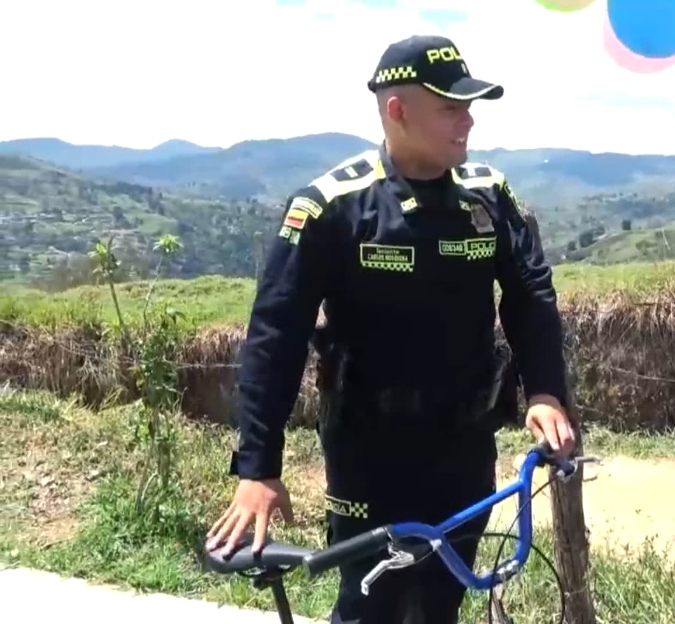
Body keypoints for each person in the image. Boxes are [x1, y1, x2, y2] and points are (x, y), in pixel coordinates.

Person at [204, 34, 576, 624]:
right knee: (371, 602)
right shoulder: (331, 206)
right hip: (368, 451)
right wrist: (258, 468)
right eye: (450, 108)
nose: (468, 121)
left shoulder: (488, 195)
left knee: (443, 599)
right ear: (397, 110)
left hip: (464, 445)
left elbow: (530, 294)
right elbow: (276, 335)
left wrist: (546, 392)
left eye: (469, 107)